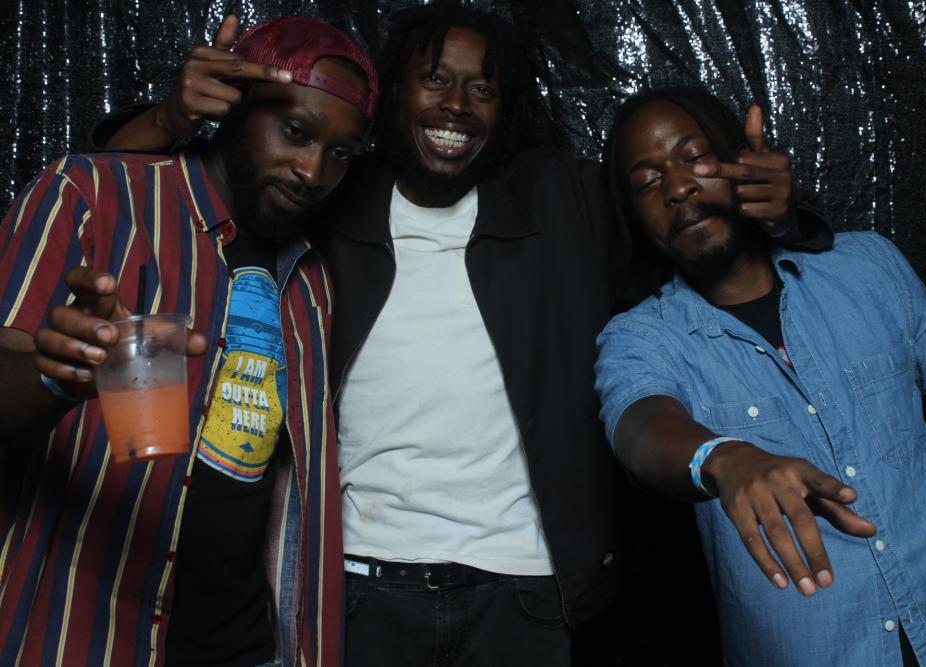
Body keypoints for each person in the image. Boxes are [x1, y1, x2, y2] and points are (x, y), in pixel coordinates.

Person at [98, 3, 828, 663]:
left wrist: (773, 214)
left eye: (482, 88)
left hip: (525, 594)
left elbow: (683, 228)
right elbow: (145, 201)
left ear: (505, 110)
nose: (456, 104)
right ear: (394, 94)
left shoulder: (565, 199)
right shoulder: (331, 188)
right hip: (358, 586)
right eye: (435, 79)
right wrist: (168, 119)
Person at [0, 17, 377, 666]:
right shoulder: (90, 195)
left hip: (245, 646)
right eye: (295, 132)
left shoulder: (311, 278)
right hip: (84, 634)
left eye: (340, 153)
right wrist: (53, 375)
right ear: (233, 107)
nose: (312, 170)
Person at [594, 86, 926, 666]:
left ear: (741, 161)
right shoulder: (641, 337)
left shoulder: (868, 267)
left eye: (694, 158)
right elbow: (640, 429)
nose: (677, 187)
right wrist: (724, 458)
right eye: (647, 182)